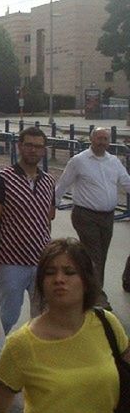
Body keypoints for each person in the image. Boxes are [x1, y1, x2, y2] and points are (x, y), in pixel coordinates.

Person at [0, 238, 130, 413]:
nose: (59, 279)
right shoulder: (21, 344)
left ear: (86, 281)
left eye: (69, 272)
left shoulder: (107, 324)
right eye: (50, 273)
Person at [0, 127, 55, 334]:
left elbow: (48, 218)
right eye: (29, 145)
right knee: (8, 315)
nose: (33, 150)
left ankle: (38, 357)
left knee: (43, 315)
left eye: (39, 146)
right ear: (20, 146)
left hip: (41, 261)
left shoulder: (49, 181)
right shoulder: (3, 178)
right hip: (11, 262)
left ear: (44, 150)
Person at [55, 127, 130, 309]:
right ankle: (97, 297)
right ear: (91, 140)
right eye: (99, 138)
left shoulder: (114, 161)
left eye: (105, 139)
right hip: (85, 215)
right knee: (94, 254)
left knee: (101, 256)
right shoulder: (78, 161)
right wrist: (51, 205)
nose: (102, 142)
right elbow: (63, 183)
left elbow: (126, 181)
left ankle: (90, 289)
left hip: (107, 216)